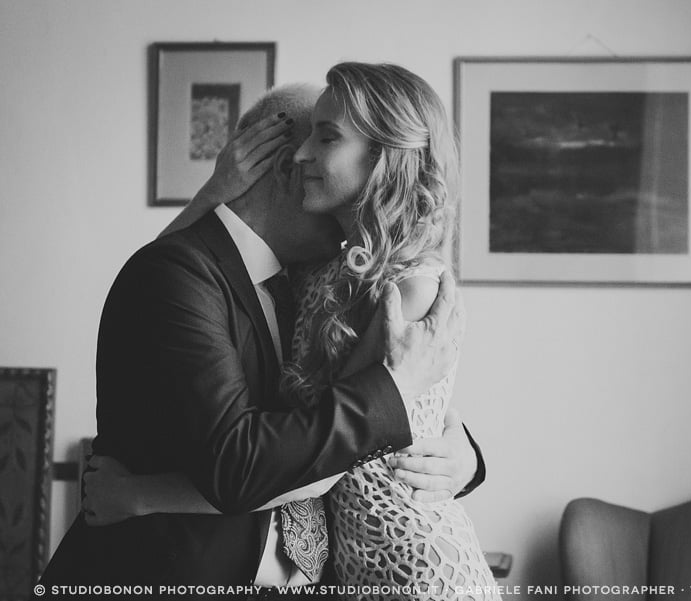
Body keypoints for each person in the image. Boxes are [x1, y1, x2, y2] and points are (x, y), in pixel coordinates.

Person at [39, 82, 479, 598]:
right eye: (312, 142)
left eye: (328, 140)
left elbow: (349, 411)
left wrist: (464, 456)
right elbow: (243, 461)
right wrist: (394, 389)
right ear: (286, 165)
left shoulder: (312, 280)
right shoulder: (180, 276)